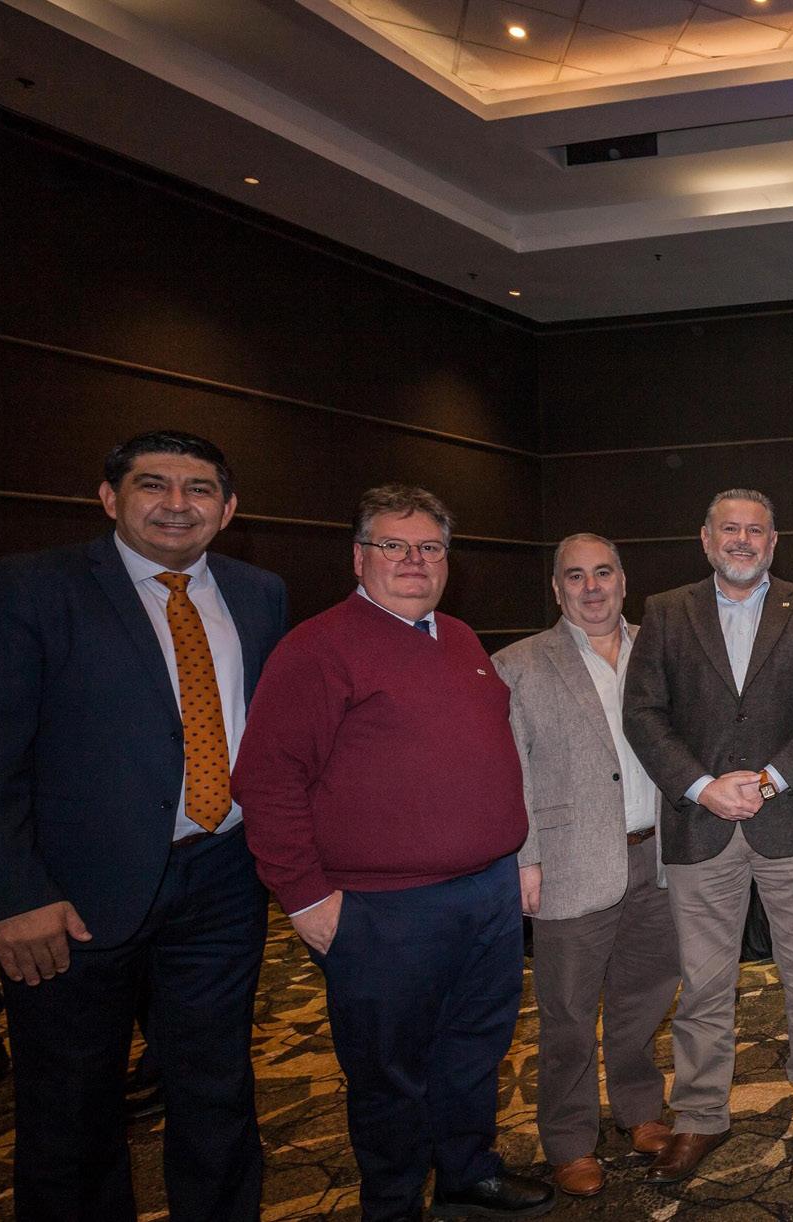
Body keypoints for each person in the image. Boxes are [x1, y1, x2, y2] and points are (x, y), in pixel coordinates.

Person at [0, 430, 286, 1222]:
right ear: (109, 498)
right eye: (153, 484)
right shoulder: (31, 588)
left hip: (223, 880)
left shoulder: (260, 593)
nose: (176, 504)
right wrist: (13, 893)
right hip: (71, 897)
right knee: (72, 1106)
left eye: (198, 489)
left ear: (228, 508)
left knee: (217, 1088)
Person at [233, 484, 553, 1221]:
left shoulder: (462, 639)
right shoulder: (317, 648)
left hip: (486, 893)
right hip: (382, 909)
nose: (414, 560)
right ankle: (394, 1201)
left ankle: (467, 1172)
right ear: (359, 557)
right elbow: (268, 780)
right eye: (393, 545)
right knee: (389, 1071)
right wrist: (305, 899)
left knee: (476, 1046)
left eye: (430, 547)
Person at [622, 488, 793, 1184]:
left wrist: (770, 779)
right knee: (702, 986)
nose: (743, 541)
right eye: (730, 529)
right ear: (706, 538)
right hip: (700, 826)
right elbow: (644, 714)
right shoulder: (667, 612)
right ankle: (700, 1115)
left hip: (792, 821)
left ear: (773, 542)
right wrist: (702, 786)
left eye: (756, 531)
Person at [492, 534, 680, 1198]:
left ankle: (640, 1110)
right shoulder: (517, 665)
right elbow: (508, 771)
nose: (591, 587)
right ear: (556, 588)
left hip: (658, 856)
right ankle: (570, 1140)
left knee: (644, 999)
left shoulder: (660, 649)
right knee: (568, 1014)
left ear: (624, 581)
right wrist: (525, 859)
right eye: (576, 576)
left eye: (603, 573)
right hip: (569, 863)